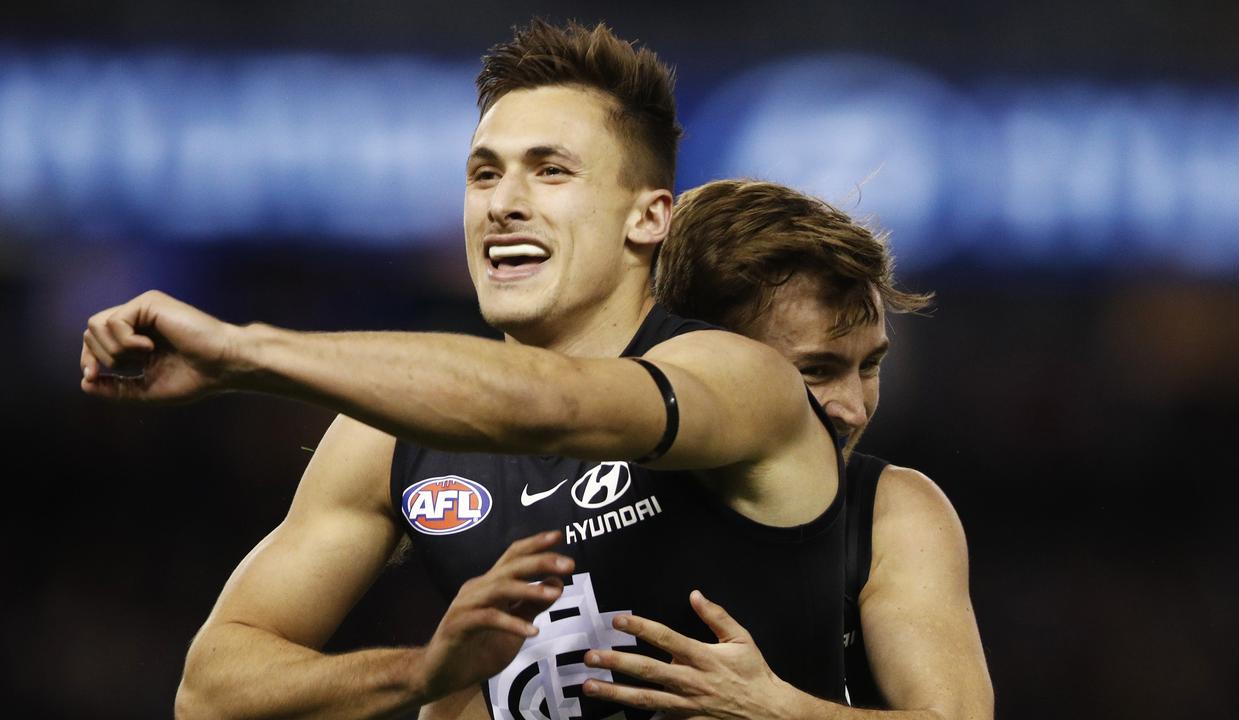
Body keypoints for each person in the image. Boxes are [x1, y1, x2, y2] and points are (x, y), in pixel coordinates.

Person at [80, 21, 850, 720]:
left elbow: (551, 407)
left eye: (551, 172)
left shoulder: (740, 377)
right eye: (484, 174)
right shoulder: (387, 444)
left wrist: (243, 354)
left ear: (648, 217)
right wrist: (422, 672)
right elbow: (210, 692)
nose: (503, 204)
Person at [573, 180, 994, 719]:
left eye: (869, 366)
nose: (854, 409)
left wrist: (772, 709)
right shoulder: (560, 500)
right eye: (816, 370)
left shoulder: (891, 512)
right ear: (705, 355)